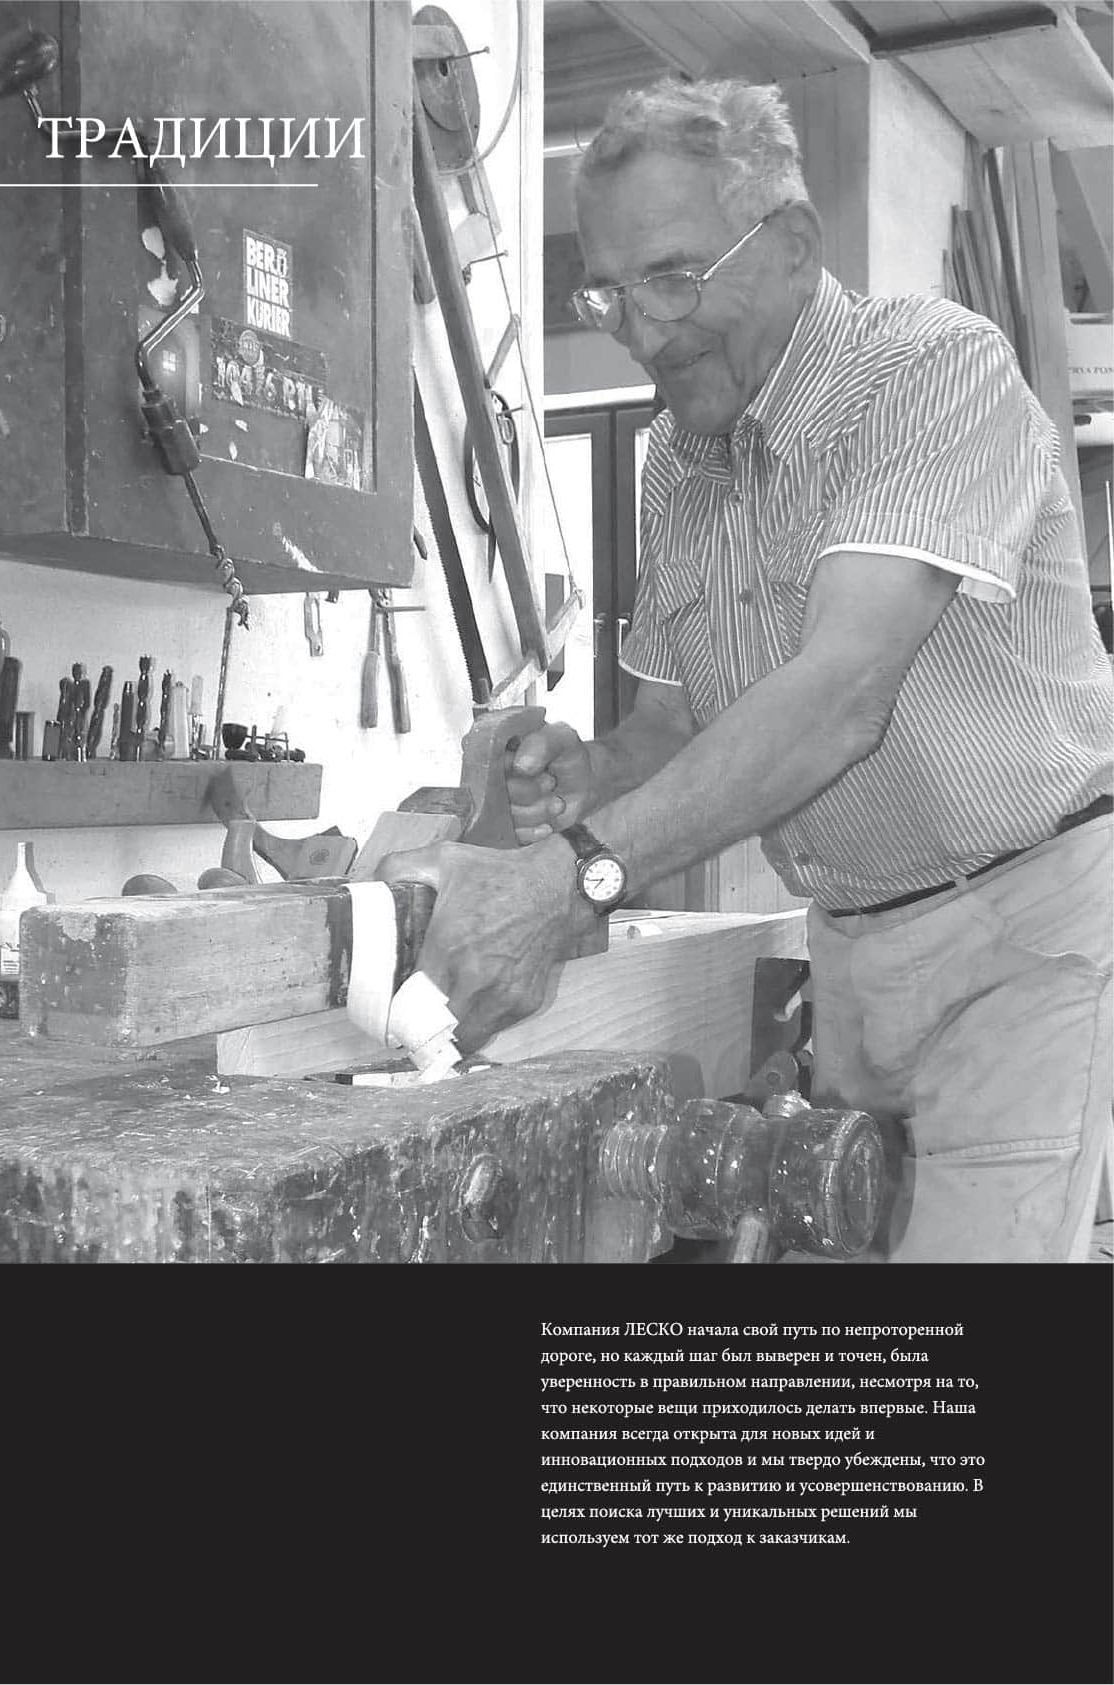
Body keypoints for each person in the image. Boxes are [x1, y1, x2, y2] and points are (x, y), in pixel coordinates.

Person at [383, 76, 1114, 1263]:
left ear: (792, 243)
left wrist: (579, 876)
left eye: (672, 276)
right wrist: (585, 775)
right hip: (851, 942)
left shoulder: (933, 374)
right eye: (609, 292)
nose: (640, 329)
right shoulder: (677, 460)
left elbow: (842, 695)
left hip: (1016, 935)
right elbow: (668, 726)